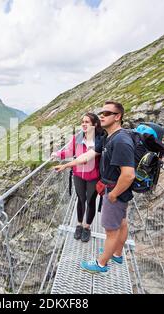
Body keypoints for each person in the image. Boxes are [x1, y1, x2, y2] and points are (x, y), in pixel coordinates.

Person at [55, 101, 135, 273]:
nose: (102, 116)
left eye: (106, 113)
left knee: (111, 230)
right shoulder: (109, 137)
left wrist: (113, 194)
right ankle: (116, 253)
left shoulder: (120, 140)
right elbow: (86, 156)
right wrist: (66, 165)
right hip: (114, 189)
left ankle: (101, 264)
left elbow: (128, 174)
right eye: (101, 113)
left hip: (114, 190)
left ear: (117, 116)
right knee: (121, 223)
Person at [52, 113, 103, 242]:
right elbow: (69, 151)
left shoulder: (100, 140)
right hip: (78, 175)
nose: (84, 124)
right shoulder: (77, 138)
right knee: (81, 199)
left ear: (94, 124)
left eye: (87, 122)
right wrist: (58, 154)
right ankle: (79, 225)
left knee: (90, 201)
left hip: (93, 176)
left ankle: (87, 227)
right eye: (82, 122)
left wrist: (66, 165)